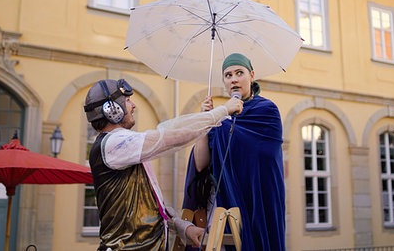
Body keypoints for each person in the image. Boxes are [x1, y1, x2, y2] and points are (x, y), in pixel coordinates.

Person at [83, 78, 242, 251]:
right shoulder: (113, 143)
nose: (133, 105)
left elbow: (151, 204)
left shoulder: (123, 146)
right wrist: (222, 111)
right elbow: (169, 136)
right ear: (111, 109)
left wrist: (182, 226)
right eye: (127, 101)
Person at [183, 53, 286, 250]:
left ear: (252, 75)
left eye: (239, 73)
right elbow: (200, 163)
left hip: (256, 201)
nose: (234, 79)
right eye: (228, 75)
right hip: (221, 206)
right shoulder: (221, 115)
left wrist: (220, 118)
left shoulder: (267, 110)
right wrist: (207, 119)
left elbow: (257, 152)